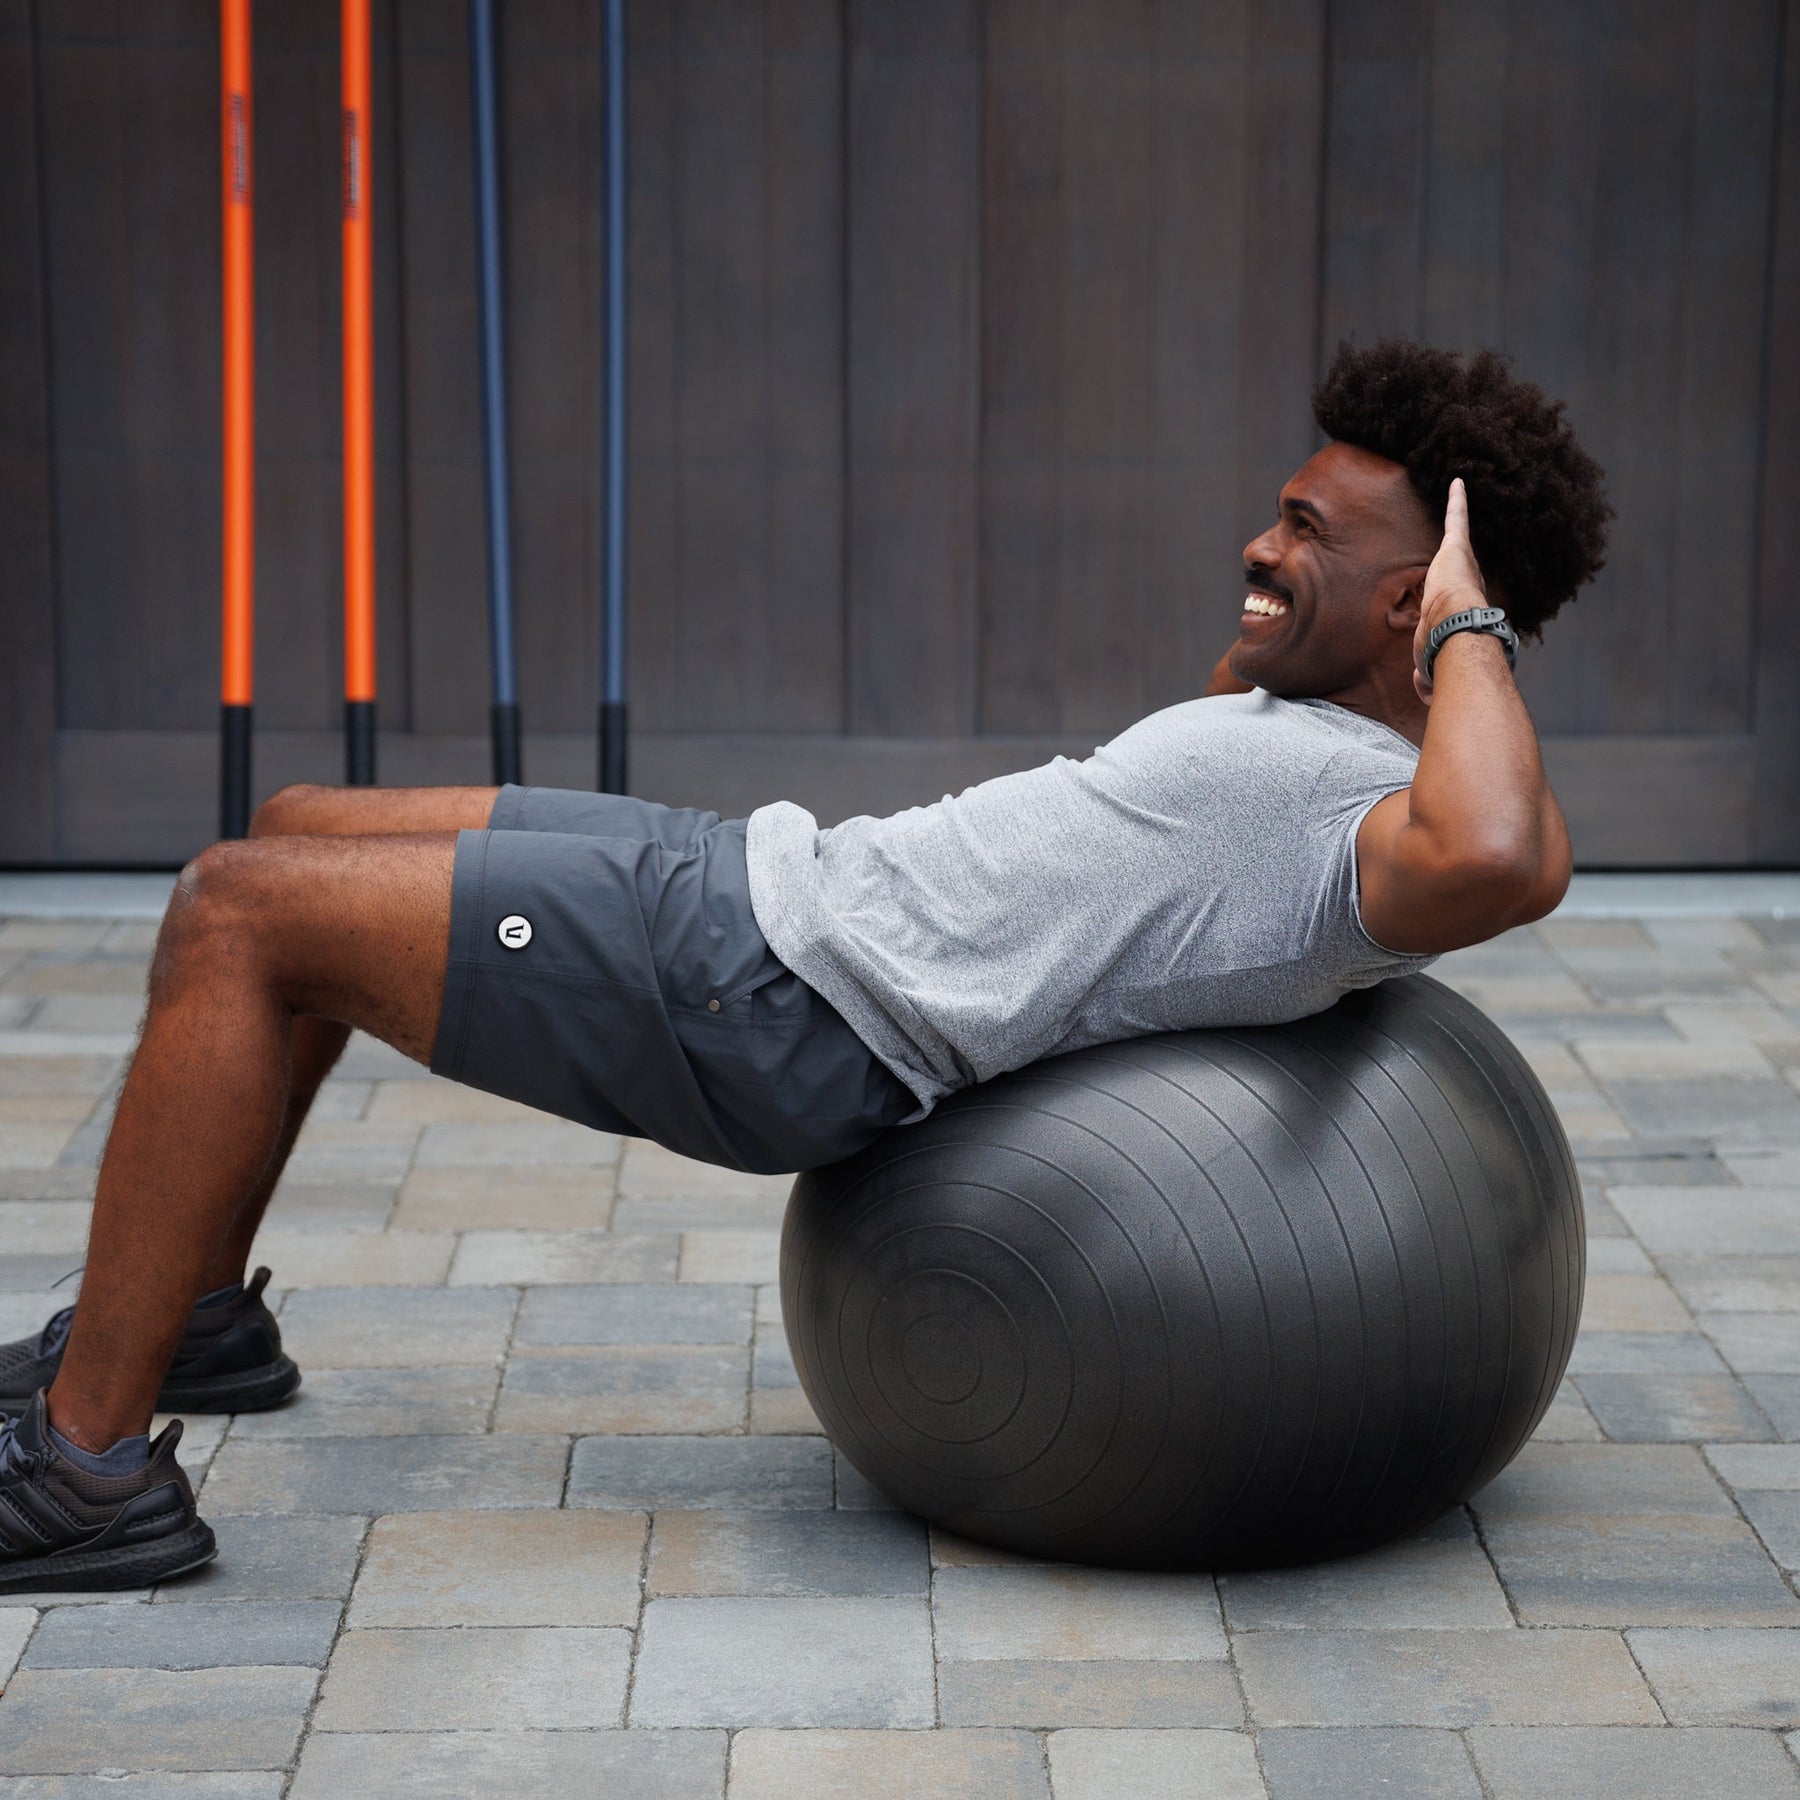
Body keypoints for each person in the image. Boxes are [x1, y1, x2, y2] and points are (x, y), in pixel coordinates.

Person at [0, 338, 1610, 1592]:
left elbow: (1502, 854)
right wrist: (1394, 628)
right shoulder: (1326, 738)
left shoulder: (1359, 813)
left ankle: (88, 1472)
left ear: (1415, 597)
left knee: (239, 908)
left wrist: (1466, 627)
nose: (1258, 544)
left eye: (1306, 531)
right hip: (761, 877)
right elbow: (1467, 804)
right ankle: (191, 1315)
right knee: (296, 826)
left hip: (775, 998)